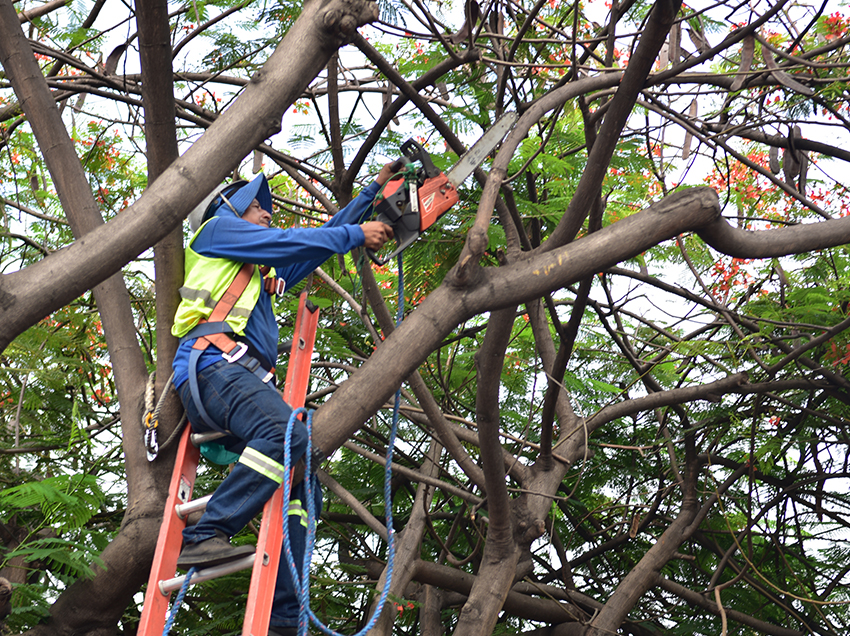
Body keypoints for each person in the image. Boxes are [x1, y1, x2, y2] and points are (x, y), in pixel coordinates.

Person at [170, 165, 395, 636]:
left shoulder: (253, 270)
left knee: (300, 471)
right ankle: (206, 534)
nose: (267, 215)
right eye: (258, 207)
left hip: (236, 379)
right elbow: (288, 241)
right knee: (287, 432)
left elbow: (317, 242)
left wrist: (374, 192)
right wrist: (357, 232)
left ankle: (283, 618)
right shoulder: (216, 231)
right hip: (211, 368)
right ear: (228, 209)